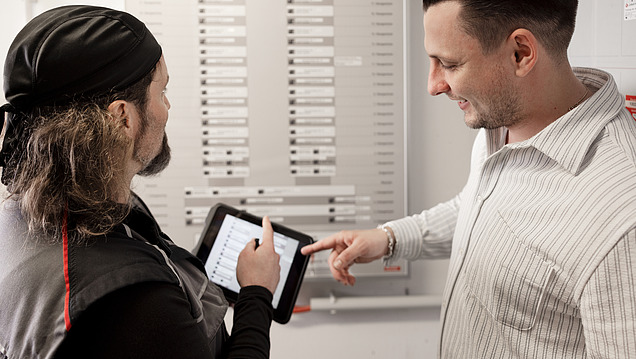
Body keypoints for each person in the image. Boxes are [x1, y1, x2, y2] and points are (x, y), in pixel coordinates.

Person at [302, 0, 636, 357]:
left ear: (521, 53)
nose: (433, 85)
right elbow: (483, 205)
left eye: (449, 64)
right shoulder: (504, 122)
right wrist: (389, 238)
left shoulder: (620, 217)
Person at [0, 5, 280, 359]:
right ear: (122, 118)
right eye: (161, 92)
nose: (167, 107)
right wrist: (256, 293)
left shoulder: (22, 213)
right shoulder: (138, 302)